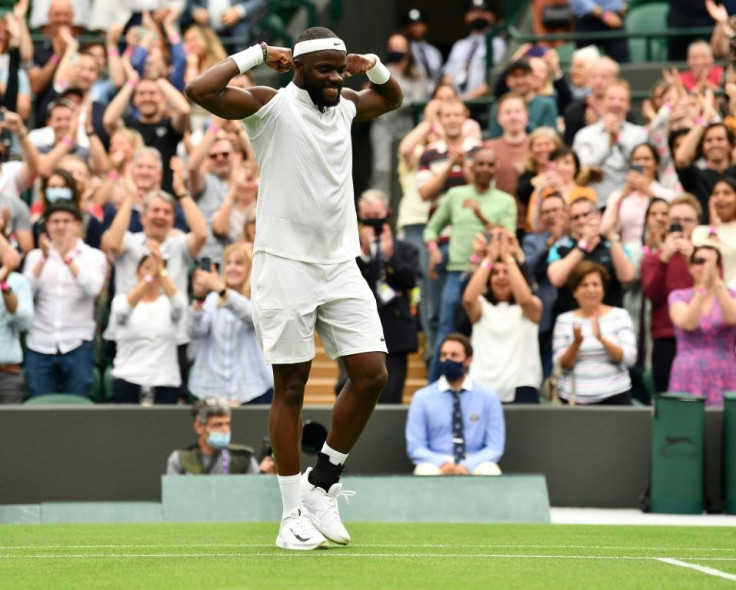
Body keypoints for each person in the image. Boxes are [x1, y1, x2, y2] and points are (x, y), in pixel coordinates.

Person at [185, 27, 403, 550]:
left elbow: (392, 95)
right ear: (297, 69)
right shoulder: (271, 105)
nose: (334, 78)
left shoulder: (347, 105)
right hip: (284, 264)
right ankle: (289, 516)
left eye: (337, 68)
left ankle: (321, 482)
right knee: (291, 389)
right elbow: (201, 90)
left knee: (372, 375)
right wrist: (258, 53)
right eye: (324, 69)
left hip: (340, 262)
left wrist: (368, 62)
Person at [424, 148, 516, 381]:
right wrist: (434, 250)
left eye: (490, 165)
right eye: (480, 164)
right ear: (472, 167)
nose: (485, 169)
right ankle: (434, 388)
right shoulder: (456, 195)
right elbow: (432, 228)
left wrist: (480, 215)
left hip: (491, 276)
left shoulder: (505, 201)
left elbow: (507, 236)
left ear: (496, 170)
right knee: (446, 332)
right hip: (457, 273)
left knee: (483, 334)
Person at [22, 200, 107, 398]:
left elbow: (93, 289)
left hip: (78, 343)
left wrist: (67, 259)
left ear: (78, 225)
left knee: (77, 413)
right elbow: (26, 294)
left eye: (66, 221)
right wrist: (43, 260)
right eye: (55, 221)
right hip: (40, 344)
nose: (61, 226)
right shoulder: (35, 257)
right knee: (39, 411)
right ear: (47, 226)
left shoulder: (93, 256)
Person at [405, 333, 505, 475]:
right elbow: (415, 446)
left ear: (468, 360)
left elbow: (494, 447)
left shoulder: (488, 397)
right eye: (444, 355)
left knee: (490, 471)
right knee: (425, 471)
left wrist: (468, 465)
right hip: (436, 461)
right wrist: (442, 464)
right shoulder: (422, 398)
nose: (448, 359)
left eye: (454, 355)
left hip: (475, 460)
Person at [188, 242, 274, 405]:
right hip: (211, 389)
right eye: (228, 263)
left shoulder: (260, 298)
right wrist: (198, 300)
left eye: (239, 263)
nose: (232, 268)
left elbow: (253, 317)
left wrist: (221, 290)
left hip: (254, 389)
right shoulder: (212, 300)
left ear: (250, 269)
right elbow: (194, 332)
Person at [463, 228, 543, 403]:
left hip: (521, 385)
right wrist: (489, 258)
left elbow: (525, 299)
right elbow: (468, 299)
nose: (501, 277)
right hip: (483, 384)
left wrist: (508, 258)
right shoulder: (481, 306)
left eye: (506, 272)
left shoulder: (531, 306)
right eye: (496, 273)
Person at [356, 189, 420, 404]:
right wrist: (363, 257)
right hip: (359, 332)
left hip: (394, 333)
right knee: (354, 394)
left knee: (391, 395)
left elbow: (411, 281)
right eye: (367, 217)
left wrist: (390, 257)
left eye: (378, 216)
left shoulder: (406, 250)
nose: (373, 222)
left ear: (388, 214)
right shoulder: (350, 251)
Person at [552, 261, 637, 405]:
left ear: (603, 289)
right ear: (574, 291)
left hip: (615, 396)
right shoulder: (564, 320)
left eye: (595, 284)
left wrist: (601, 339)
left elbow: (629, 359)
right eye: (584, 285)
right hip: (573, 399)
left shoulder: (620, 315)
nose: (590, 289)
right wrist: (576, 343)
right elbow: (560, 365)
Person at [108, 252, 185, 404]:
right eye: (147, 268)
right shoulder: (121, 300)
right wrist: (150, 277)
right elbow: (123, 312)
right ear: (137, 273)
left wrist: (161, 272)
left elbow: (179, 306)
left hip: (165, 381)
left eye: (157, 269)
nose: (153, 272)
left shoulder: (169, 302)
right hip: (127, 379)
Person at [641, 194, 698, 394]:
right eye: (675, 220)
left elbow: (711, 292)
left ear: (697, 224)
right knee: (667, 400)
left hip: (701, 338)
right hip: (666, 338)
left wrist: (694, 259)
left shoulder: (705, 256)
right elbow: (652, 294)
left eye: (687, 220)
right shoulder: (653, 258)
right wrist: (664, 257)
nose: (681, 225)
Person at [669, 245, 736, 408]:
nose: (704, 266)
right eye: (699, 261)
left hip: (724, 371)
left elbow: (732, 317)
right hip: (688, 372)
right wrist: (702, 289)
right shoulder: (679, 296)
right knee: (686, 423)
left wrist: (717, 282)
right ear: (690, 267)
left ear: (719, 267)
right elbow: (688, 323)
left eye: (711, 262)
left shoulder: (731, 296)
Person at [573, 80, 648, 209]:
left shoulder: (639, 134)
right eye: (611, 98)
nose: (616, 104)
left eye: (621, 100)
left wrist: (618, 138)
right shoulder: (584, 135)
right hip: (595, 205)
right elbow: (583, 168)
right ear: (602, 102)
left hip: (632, 205)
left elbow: (641, 166)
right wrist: (608, 145)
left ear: (629, 105)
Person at [166, 397, 276, 475]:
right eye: (217, 425)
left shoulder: (243, 457)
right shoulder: (180, 459)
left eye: (227, 424)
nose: (225, 430)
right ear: (199, 427)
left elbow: (253, 496)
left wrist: (263, 477)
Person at [601, 143, 677, 246]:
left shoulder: (668, 195)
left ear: (656, 164)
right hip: (626, 251)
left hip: (659, 248)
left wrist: (649, 193)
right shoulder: (617, 196)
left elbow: (671, 224)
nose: (642, 164)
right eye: (637, 159)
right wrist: (622, 197)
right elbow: (605, 230)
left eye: (647, 159)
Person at [442, 0, 504, 99]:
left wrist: (466, 100)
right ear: (466, 17)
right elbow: (447, 76)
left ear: (492, 16)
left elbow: (496, 78)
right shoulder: (459, 45)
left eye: (484, 12)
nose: (478, 16)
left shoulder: (497, 43)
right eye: (473, 12)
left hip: (482, 104)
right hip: (455, 105)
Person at [675, 122, 736, 221]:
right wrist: (703, 121)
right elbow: (681, 158)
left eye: (720, 139)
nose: (714, 144)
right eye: (708, 140)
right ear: (702, 147)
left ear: (731, 145)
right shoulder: (696, 176)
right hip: (703, 234)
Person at [0, 263, 33, 403]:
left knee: (11, 425)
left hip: (7, 374)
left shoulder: (17, 281)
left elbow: (25, 324)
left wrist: (4, 287)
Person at [692, 177, 736, 283]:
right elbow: (706, 257)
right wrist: (713, 229)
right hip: (706, 295)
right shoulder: (700, 231)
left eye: (727, 193)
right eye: (716, 194)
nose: (720, 198)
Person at [402, 7, 443, 98]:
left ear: (425, 26)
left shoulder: (433, 52)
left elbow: (439, 76)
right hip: (411, 96)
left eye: (419, 24)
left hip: (434, 96)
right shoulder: (404, 49)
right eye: (413, 25)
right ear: (407, 27)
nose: (416, 28)